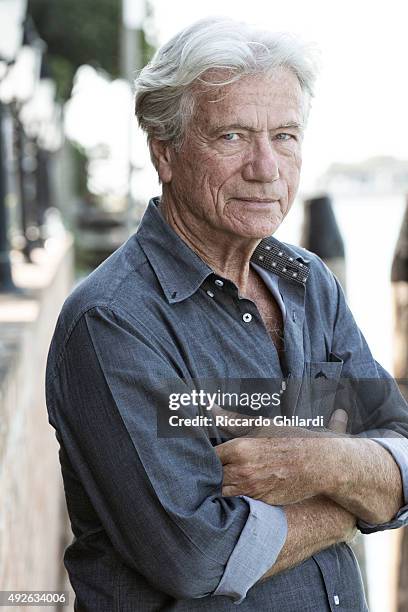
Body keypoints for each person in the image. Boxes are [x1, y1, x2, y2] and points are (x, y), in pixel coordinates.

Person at [46, 17, 408, 611]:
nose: (266, 168)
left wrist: (319, 462)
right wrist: (356, 496)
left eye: (286, 136)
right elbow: (199, 554)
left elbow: (401, 447)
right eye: (234, 136)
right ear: (165, 152)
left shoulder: (310, 284)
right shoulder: (113, 323)